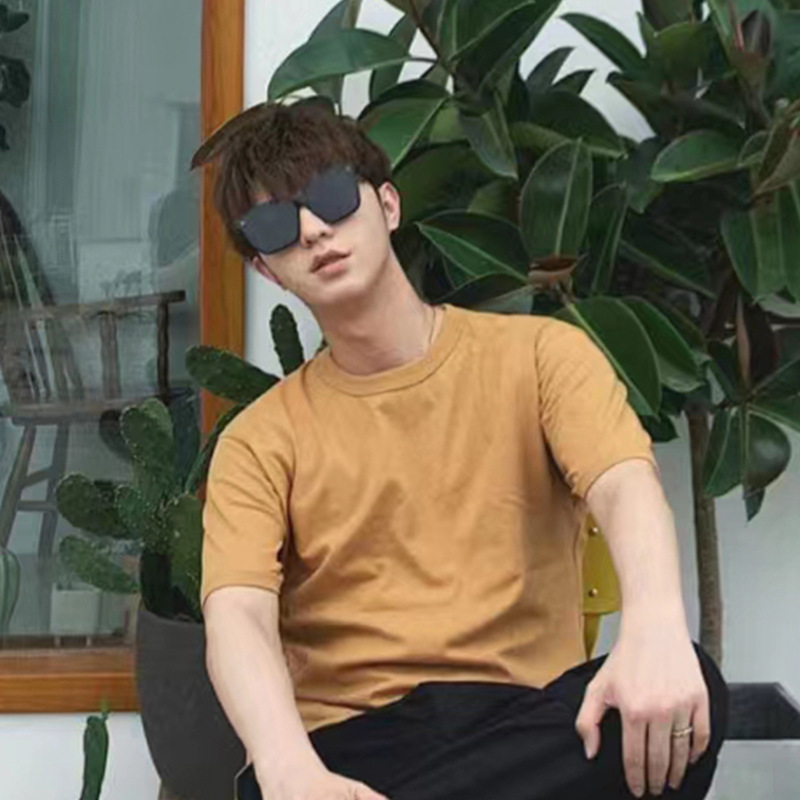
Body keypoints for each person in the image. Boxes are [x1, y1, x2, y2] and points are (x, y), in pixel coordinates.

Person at [192, 100, 728, 800]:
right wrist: (288, 767)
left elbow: (624, 484)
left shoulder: (542, 356)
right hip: (356, 747)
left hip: (526, 724)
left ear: (387, 204)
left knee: (684, 693)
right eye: (276, 226)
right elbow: (237, 615)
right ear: (267, 270)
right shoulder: (259, 441)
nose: (315, 230)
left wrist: (655, 628)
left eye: (331, 197)